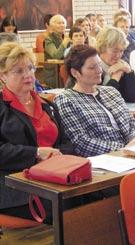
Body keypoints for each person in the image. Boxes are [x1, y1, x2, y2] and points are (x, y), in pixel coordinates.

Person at [0, 42, 74, 221]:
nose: (28, 75)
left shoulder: (47, 104)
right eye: (18, 71)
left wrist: (59, 157)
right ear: (2, 76)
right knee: (61, 208)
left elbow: (67, 142)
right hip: (15, 184)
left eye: (31, 68)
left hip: (54, 176)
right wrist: (37, 153)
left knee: (94, 196)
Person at [54, 45, 135, 157]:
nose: (99, 70)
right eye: (92, 68)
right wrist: (124, 149)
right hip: (106, 160)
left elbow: (133, 123)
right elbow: (81, 142)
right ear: (75, 72)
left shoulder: (111, 92)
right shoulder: (66, 100)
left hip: (134, 151)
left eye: (99, 65)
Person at [96, 27, 135, 103]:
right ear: (102, 48)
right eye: (115, 51)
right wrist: (115, 78)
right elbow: (103, 100)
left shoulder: (122, 66)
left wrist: (129, 72)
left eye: (121, 51)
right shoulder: (93, 68)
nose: (118, 55)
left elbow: (134, 98)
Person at [44, 14, 70, 87]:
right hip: (54, 74)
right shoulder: (48, 39)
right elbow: (56, 55)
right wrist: (64, 43)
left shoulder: (67, 38)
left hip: (67, 70)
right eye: (59, 23)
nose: (62, 25)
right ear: (52, 25)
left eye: (63, 23)